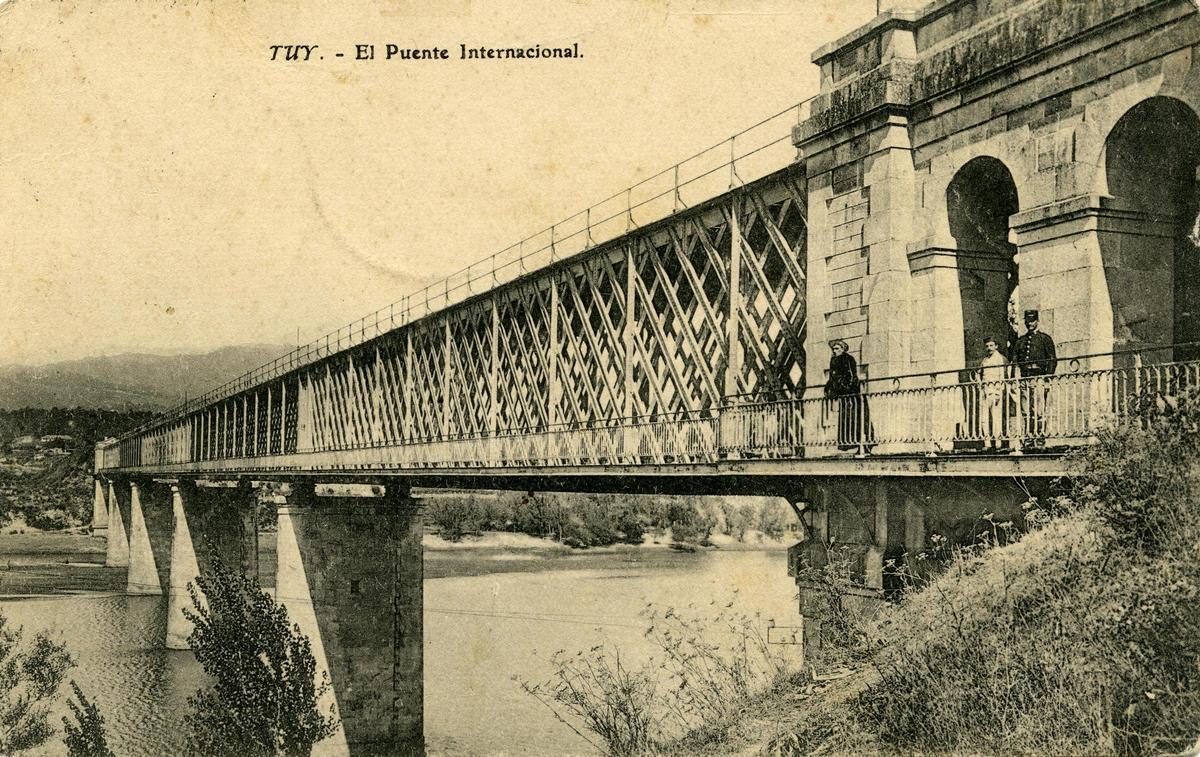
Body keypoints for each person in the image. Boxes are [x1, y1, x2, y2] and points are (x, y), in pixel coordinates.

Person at [1013, 309, 1056, 447]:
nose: (1029, 324)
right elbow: (1015, 360)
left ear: (1037, 321)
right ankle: (1029, 437)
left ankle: (1040, 436)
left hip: (1039, 377)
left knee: (1039, 410)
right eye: (1027, 321)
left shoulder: (1045, 339)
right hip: (1026, 377)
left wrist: (1047, 377)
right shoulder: (1021, 341)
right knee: (1026, 410)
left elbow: (1052, 359)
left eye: (1032, 321)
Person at [824, 339, 869, 451]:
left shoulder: (848, 359)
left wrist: (846, 388)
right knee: (846, 418)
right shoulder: (833, 360)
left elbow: (852, 377)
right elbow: (832, 378)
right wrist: (828, 389)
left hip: (852, 394)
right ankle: (848, 443)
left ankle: (865, 443)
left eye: (837, 349)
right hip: (843, 395)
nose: (834, 351)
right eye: (833, 349)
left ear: (843, 349)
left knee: (858, 417)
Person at [977, 336, 1008, 450]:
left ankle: (998, 443)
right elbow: (978, 373)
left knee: (996, 418)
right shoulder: (985, 360)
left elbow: (1003, 376)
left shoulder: (1000, 359)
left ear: (996, 346)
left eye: (991, 345)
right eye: (987, 346)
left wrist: (1000, 391)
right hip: (985, 392)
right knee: (984, 418)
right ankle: (987, 443)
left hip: (995, 392)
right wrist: (980, 384)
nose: (989, 348)